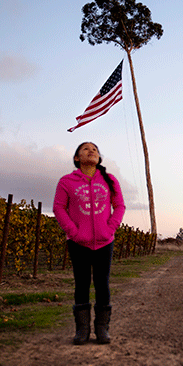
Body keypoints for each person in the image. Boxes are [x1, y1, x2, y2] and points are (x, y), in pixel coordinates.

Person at [53, 142, 126, 344]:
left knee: (102, 283)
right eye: (85, 149)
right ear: (77, 158)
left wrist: (110, 228)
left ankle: (102, 329)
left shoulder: (109, 180)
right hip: (78, 243)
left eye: (94, 149)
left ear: (99, 157)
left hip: (105, 241)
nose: (91, 150)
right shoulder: (66, 182)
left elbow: (119, 205)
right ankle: (82, 330)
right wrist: (74, 233)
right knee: (82, 284)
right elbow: (59, 208)